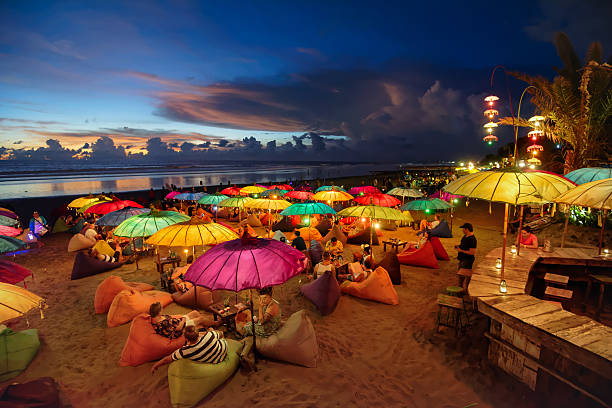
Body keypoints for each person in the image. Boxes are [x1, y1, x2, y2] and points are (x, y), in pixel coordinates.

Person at [151, 326, 227, 373]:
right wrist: (211, 331)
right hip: (223, 350)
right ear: (198, 334)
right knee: (212, 330)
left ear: (186, 339)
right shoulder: (210, 335)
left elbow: (167, 359)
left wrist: (156, 365)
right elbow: (221, 333)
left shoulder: (184, 351)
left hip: (215, 361)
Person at [149, 301, 217, 340]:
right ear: (158, 312)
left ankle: (204, 326)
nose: (162, 310)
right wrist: (183, 320)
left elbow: (170, 319)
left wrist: (181, 319)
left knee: (195, 312)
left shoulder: (155, 317)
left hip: (178, 322)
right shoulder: (162, 324)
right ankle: (214, 323)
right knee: (200, 319)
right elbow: (178, 329)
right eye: (161, 309)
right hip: (181, 327)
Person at [455, 223, 477, 291]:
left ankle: (464, 290)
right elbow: (464, 246)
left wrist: (461, 250)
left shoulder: (472, 239)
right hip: (462, 259)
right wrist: (459, 246)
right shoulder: (465, 236)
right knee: (461, 276)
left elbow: (472, 252)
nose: (462, 230)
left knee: (464, 276)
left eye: (463, 229)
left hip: (467, 260)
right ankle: (461, 289)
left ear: (466, 229)